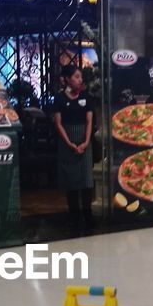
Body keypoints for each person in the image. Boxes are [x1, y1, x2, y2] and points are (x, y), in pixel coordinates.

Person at [51, 64, 94, 232]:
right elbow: (58, 123)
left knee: (86, 180)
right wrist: (69, 143)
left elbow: (89, 121)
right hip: (67, 142)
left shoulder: (86, 96)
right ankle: (74, 215)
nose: (80, 80)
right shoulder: (60, 98)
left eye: (80, 77)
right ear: (67, 79)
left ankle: (88, 214)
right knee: (71, 181)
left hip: (84, 142)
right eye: (76, 77)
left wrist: (86, 141)